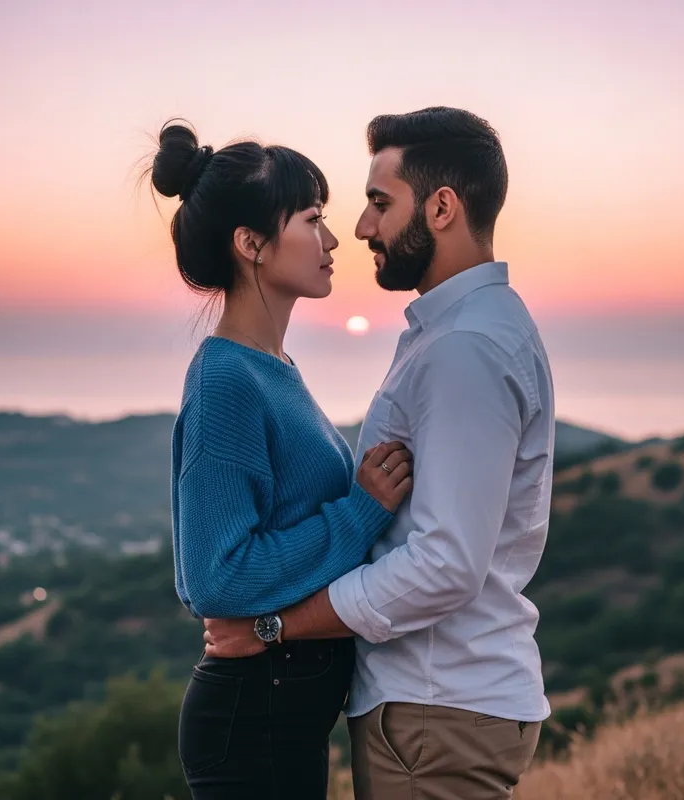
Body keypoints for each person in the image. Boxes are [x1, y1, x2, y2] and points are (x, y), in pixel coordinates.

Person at [204, 106, 556, 799]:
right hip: (442, 706)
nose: (362, 227)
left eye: (378, 203)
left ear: (443, 207)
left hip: (435, 709)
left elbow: (445, 564)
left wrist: (276, 627)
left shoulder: (464, 350)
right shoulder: (463, 332)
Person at [149, 119, 414, 800]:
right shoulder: (227, 381)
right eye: (312, 219)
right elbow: (215, 575)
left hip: (280, 715)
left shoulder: (273, 368)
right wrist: (358, 515)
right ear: (251, 245)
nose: (332, 241)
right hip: (252, 722)